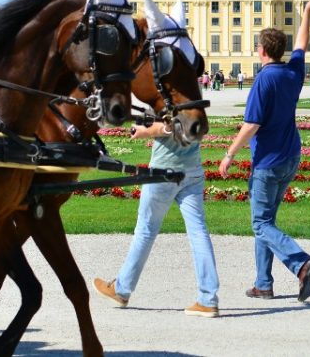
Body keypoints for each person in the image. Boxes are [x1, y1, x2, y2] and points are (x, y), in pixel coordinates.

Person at [219, 0, 310, 302]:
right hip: (291, 156)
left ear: (262, 50)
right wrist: (307, 12)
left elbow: (251, 124)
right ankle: (263, 283)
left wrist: (229, 155)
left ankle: (301, 263)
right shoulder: (293, 72)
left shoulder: (263, 80)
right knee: (266, 221)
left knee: (261, 223)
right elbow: (303, 43)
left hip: (268, 161)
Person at [93, 120, 220, 317]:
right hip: (193, 170)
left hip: (163, 171)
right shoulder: (193, 93)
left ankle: (122, 289)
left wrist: (143, 130)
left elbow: (162, 128)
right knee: (198, 231)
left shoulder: (167, 95)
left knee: (145, 230)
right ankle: (208, 299)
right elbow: (201, 128)